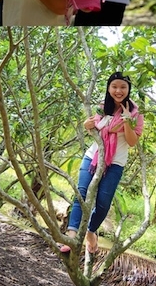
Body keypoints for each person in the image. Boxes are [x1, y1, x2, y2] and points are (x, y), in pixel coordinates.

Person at [60, 72, 144, 255]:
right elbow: (93, 127)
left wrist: (128, 121)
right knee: (81, 195)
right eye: (114, 86)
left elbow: (131, 141)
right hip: (93, 157)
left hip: (115, 163)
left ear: (129, 89)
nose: (118, 90)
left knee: (103, 203)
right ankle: (72, 235)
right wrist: (86, 124)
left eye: (123, 87)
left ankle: (91, 232)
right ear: (108, 88)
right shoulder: (101, 108)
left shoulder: (136, 113)